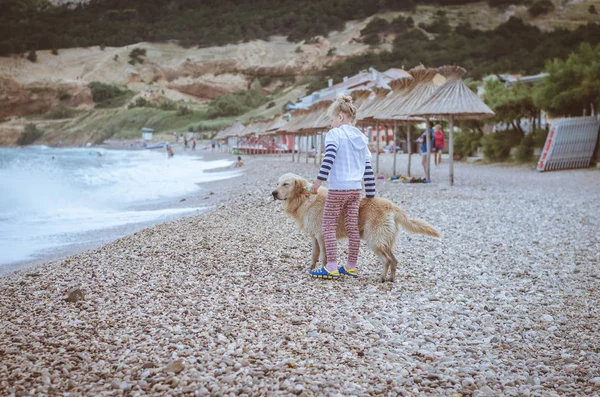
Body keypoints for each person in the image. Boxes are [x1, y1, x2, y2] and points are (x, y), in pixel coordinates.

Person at [309, 94, 376, 280]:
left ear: (340, 117)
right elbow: (368, 169)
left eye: (331, 120)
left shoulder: (335, 134)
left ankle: (331, 267)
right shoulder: (362, 138)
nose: (330, 124)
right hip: (355, 190)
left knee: (328, 227)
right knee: (352, 228)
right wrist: (370, 194)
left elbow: (328, 159)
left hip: (338, 189)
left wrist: (317, 183)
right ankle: (350, 267)